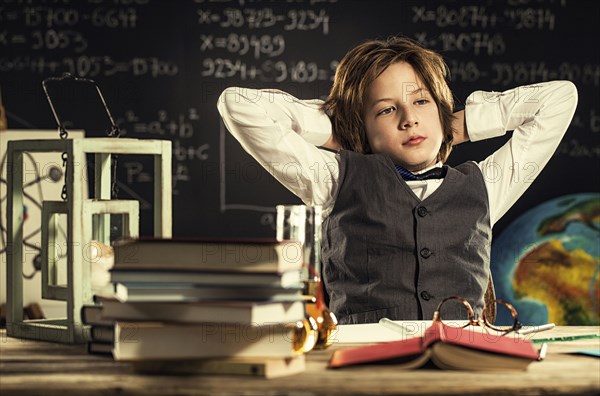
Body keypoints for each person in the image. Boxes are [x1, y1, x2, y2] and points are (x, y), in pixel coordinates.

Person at [217, 37, 578, 324]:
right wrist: (342, 130)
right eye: (387, 109)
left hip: (465, 357)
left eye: (421, 102)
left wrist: (458, 127)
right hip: (367, 357)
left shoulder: (488, 183)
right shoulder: (333, 178)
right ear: (364, 125)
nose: (409, 119)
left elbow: (559, 99)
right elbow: (238, 104)